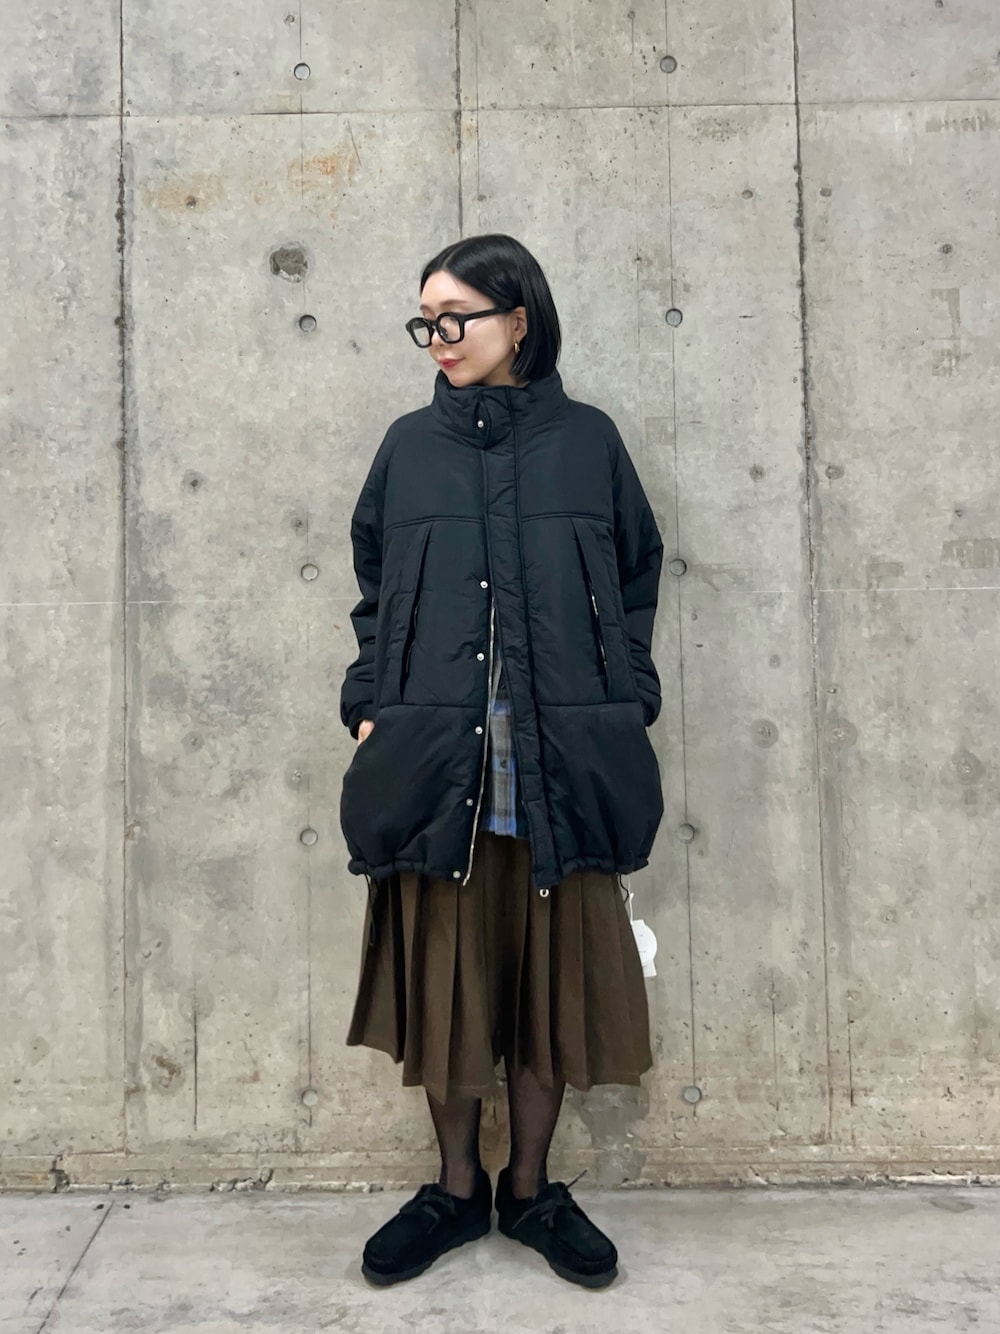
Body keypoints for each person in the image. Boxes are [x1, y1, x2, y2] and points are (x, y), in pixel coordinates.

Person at [339, 233, 664, 1290]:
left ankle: (529, 1188)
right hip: (437, 763)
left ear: (518, 320)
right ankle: (454, 1188)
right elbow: (375, 588)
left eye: (456, 318)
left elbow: (635, 575)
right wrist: (368, 705)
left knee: (548, 989)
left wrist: (628, 697)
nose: (437, 338)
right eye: (424, 321)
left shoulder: (588, 441)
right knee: (449, 984)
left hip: (562, 763)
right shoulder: (408, 447)